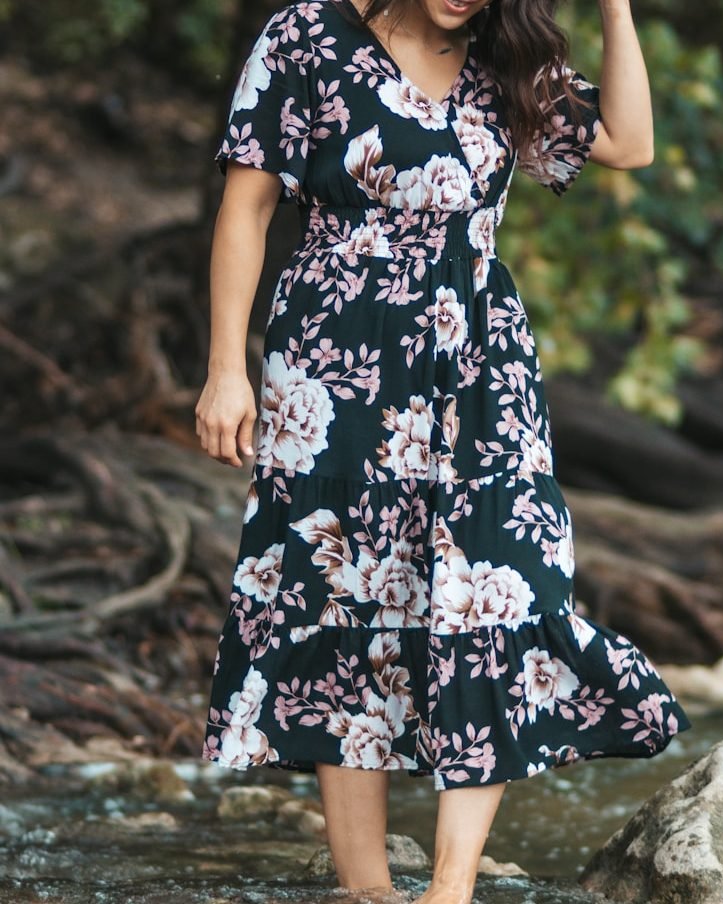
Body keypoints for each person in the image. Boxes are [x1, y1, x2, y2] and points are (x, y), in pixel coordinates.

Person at [195, 0, 691, 901]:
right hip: (334, 369)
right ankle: (370, 891)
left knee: (504, 586)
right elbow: (246, 209)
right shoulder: (305, 38)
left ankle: (450, 888)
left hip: (479, 368)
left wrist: (616, 5)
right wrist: (228, 367)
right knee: (345, 600)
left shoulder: (508, 58)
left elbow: (627, 142)